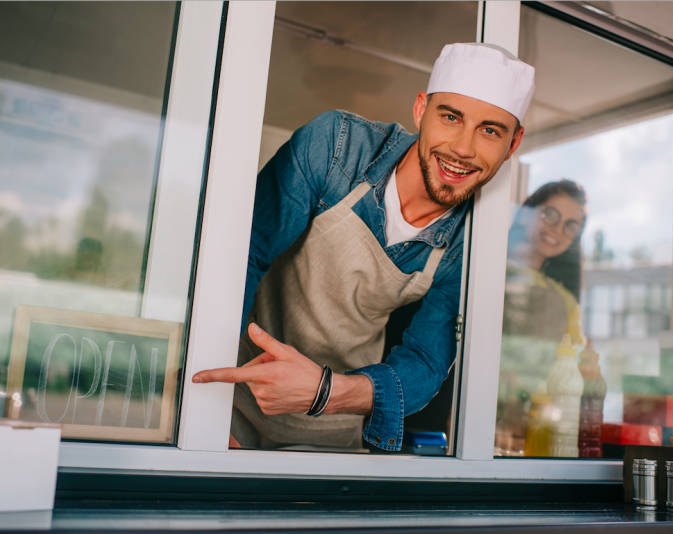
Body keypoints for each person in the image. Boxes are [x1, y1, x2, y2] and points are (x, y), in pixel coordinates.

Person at [193, 43, 536, 451]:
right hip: (230, 395)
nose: (463, 148)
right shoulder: (338, 146)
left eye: (490, 131)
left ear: (513, 144)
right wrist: (204, 410)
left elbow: (426, 362)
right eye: (450, 117)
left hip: (331, 425)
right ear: (420, 110)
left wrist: (327, 392)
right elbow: (242, 256)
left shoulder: (471, 244)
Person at [503, 180, 588, 345]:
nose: (558, 229)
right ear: (526, 213)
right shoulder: (486, 268)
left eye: (571, 226)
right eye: (550, 214)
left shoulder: (566, 302)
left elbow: (576, 356)